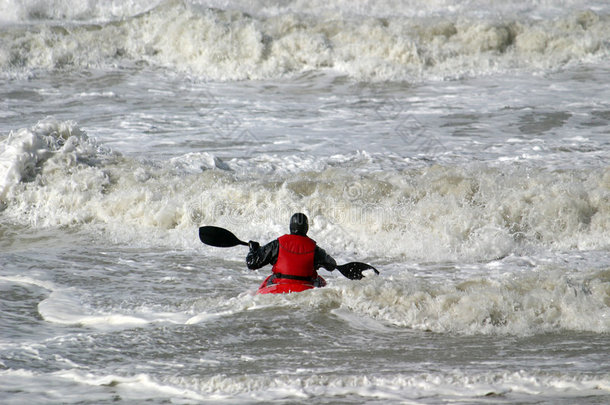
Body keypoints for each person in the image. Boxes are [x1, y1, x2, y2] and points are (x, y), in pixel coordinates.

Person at [246, 213, 337, 287]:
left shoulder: (277, 244)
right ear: (306, 228)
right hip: (305, 286)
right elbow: (331, 265)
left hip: (280, 285)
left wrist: (253, 250)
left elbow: (252, 263)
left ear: (290, 227)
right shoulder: (315, 249)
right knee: (319, 281)